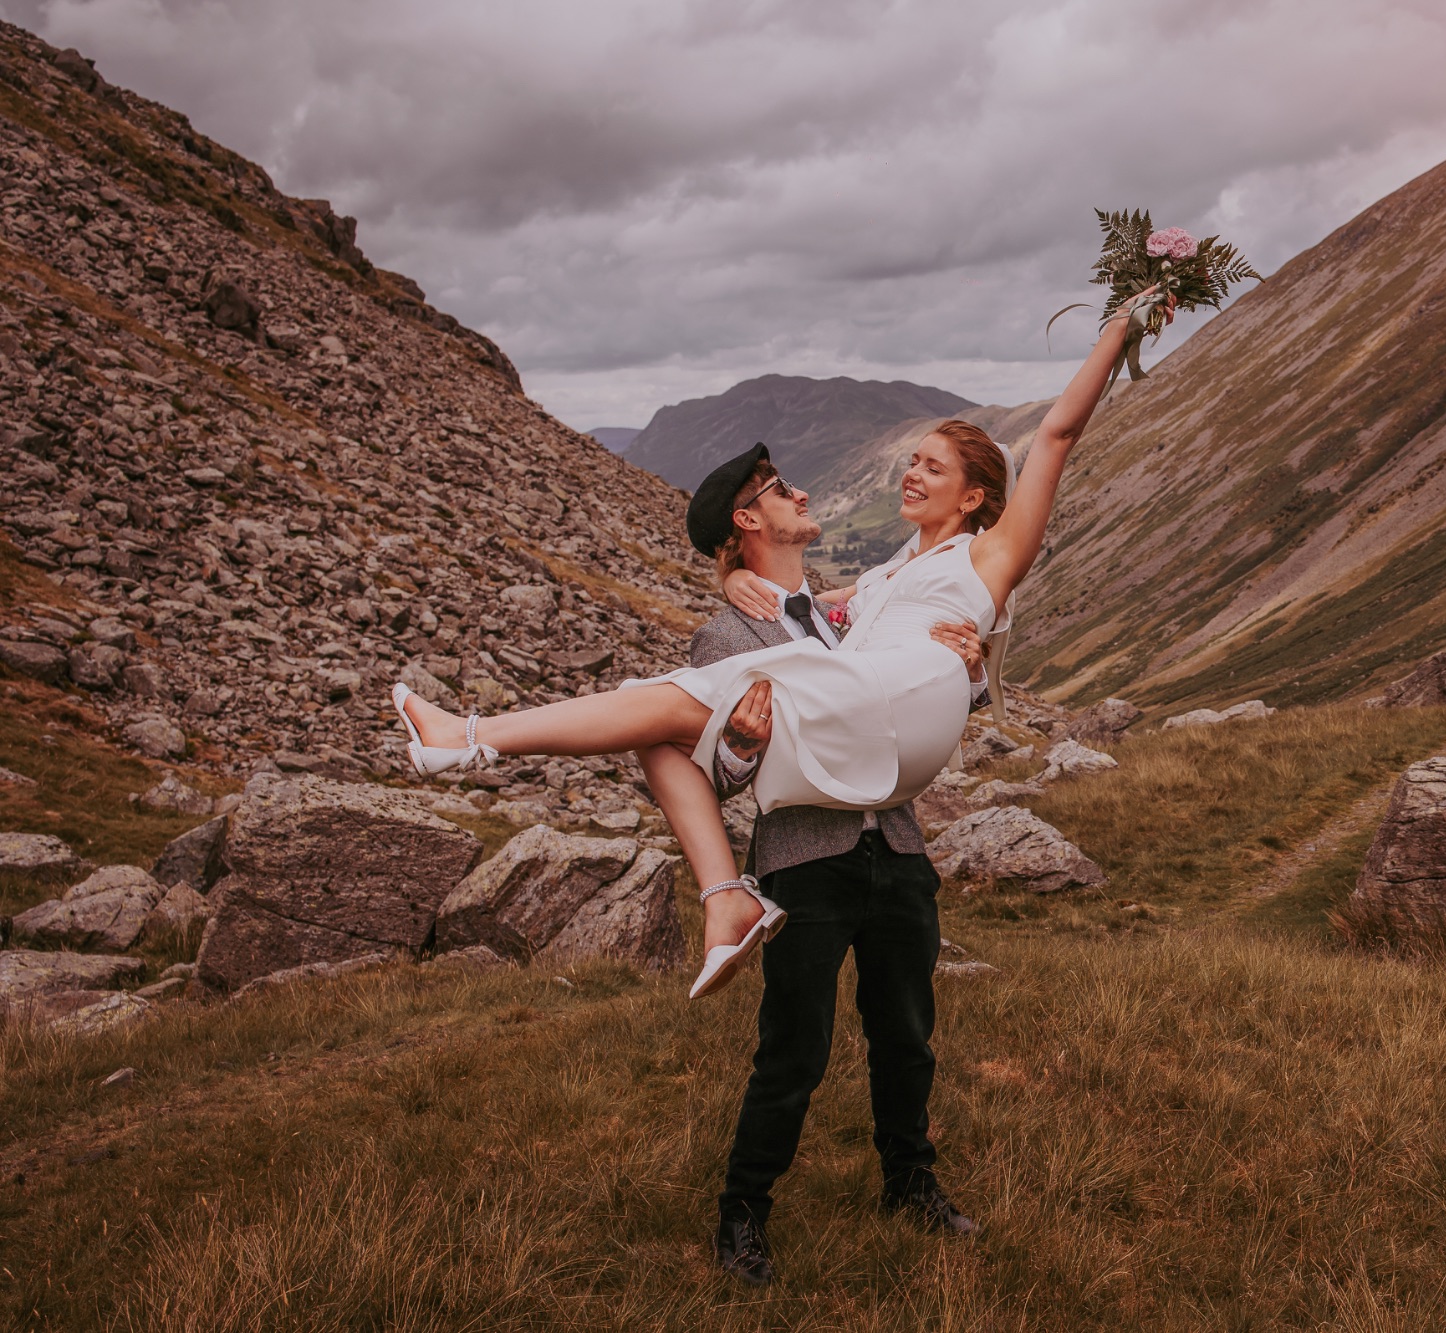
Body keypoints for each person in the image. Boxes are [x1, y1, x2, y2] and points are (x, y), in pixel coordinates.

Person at [388, 286, 1163, 998]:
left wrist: (1120, 328)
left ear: (974, 496)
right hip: (872, 734)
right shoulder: (890, 573)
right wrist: (732, 575)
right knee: (652, 728)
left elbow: (1057, 434)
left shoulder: (991, 553)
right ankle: (726, 900)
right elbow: (813, 607)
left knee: (656, 703)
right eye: (913, 459)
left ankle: (472, 737)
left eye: (933, 467)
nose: (912, 473)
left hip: (900, 717)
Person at [660, 447, 983, 1284]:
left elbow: (921, 694)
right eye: (779, 489)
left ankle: (909, 1182)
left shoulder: (857, 610)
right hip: (805, 860)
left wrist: (971, 672)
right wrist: (739, 745)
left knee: (906, 1034)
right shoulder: (723, 634)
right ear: (747, 519)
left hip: (898, 847)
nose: (800, 492)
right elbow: (709, 772)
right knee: (794, 1047)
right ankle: (743, 1211)